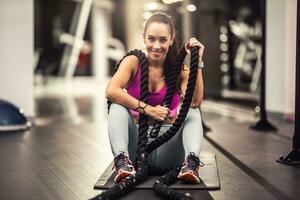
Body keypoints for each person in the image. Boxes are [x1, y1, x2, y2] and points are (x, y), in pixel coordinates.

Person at [105, 12, 205, 184]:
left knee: (192, 111)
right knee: (116, 106)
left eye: (162, 40)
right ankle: (122, 161)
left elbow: (195, 101)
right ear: (143, 38)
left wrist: (198, 61)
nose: (156, 45)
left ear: (171, 39)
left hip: (169, 148)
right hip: (136, 148)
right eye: (151, 39)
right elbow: (111, 91)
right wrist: (148, 110)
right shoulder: (132, 62)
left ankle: (191, 162)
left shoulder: (180, 70)